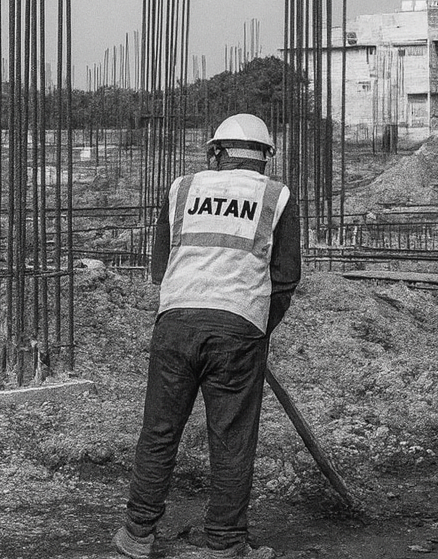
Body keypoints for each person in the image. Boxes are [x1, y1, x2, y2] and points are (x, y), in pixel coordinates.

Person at [113, 113, 301, 559]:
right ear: (265, 158)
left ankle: (137, 533)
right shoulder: (276, 197)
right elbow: (286, 279)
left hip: (175, 323)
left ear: (216, 151)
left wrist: (184, 303)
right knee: (232, 437)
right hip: (238, 332)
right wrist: (253, 325)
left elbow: (161, 264)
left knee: (159, 430)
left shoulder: (183, 188)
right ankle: (225, 542)